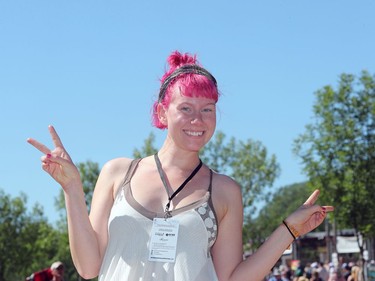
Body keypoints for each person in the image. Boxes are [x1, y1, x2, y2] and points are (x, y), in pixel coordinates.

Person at [27, 50, 334, 281]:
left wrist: (289, 229)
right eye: (185, 108)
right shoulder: (117, 172)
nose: (197, 120)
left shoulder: (225, 191)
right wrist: (71, 189)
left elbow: (233, 278)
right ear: (162, 112)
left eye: (207, 109)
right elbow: (88, 266)